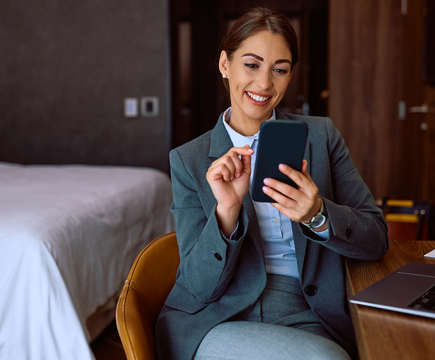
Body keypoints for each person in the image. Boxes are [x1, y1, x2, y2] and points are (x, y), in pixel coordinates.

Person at [155, 7, 388, 360]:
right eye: (251, 64)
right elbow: (198, 286)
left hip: (310, 309)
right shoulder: (188, 159)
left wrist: (318, 214)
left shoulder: (321, 137)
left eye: (279, 70)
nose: (264, 83)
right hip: (220, 315)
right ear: (224, 65)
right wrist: (227, 213)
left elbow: (376, 240)